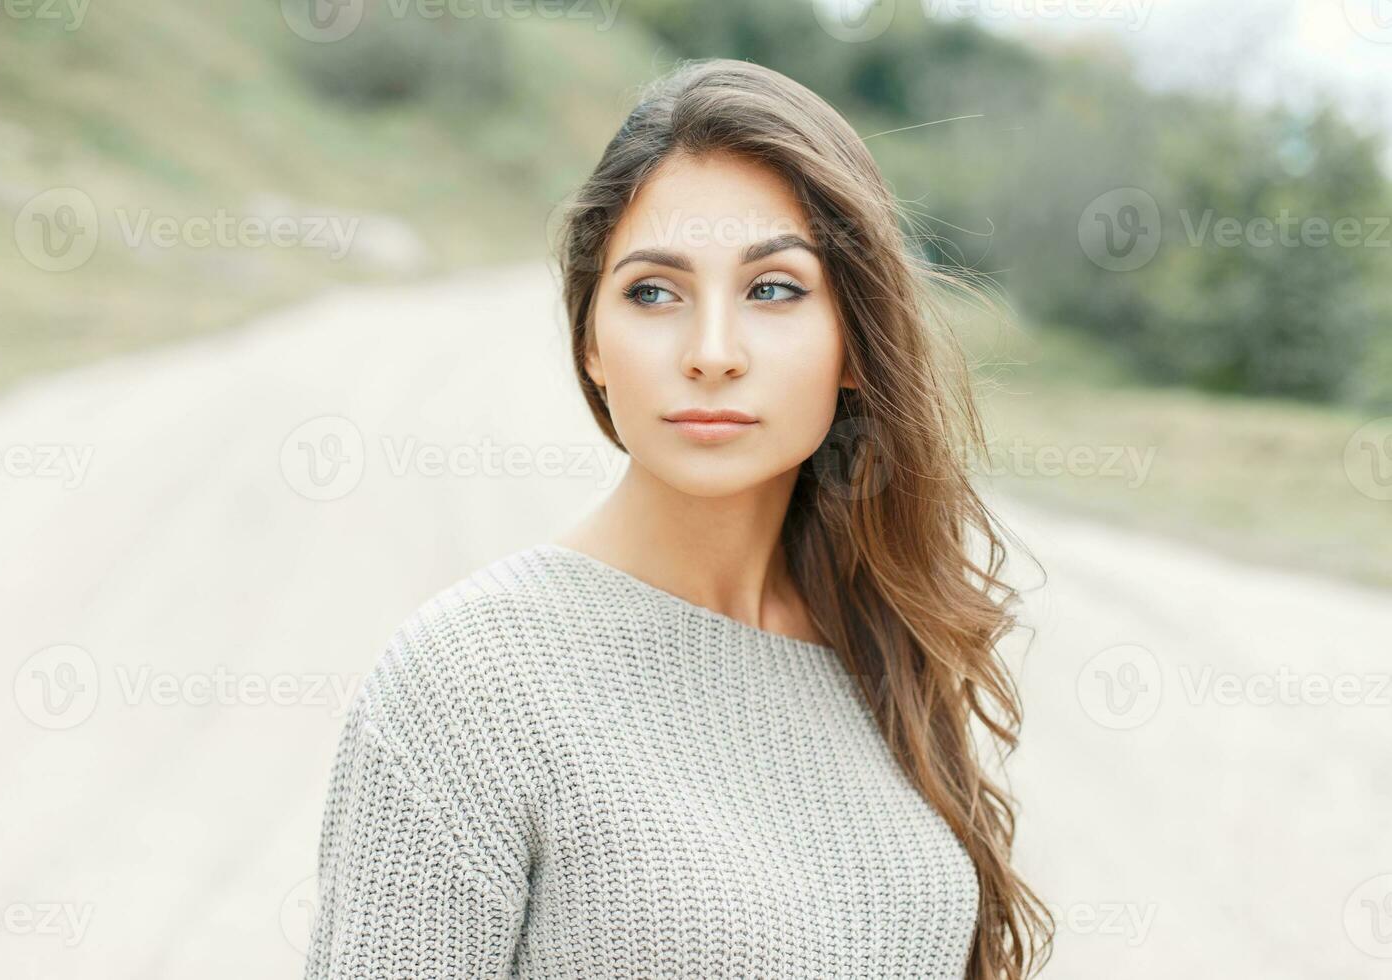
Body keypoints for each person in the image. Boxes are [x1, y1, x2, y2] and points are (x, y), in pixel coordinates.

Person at [304, 57, 1053, 980]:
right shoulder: (467, 687)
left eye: (774, 288)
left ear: (854, 341)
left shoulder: (879, 640)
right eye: (654, 292)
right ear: (591, 342)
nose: (710, 353)